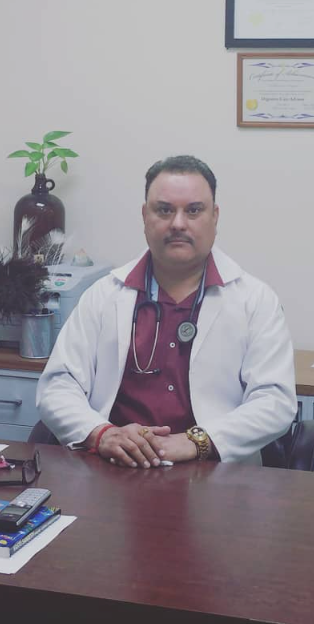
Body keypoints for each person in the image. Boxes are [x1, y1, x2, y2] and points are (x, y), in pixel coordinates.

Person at [36, 155, 296, 468]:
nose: (178, 224)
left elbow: (275, 401)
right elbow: (58, 386)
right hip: (115, 469)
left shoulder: (255, 300)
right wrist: (102, 433)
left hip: (216, 473)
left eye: (194, 210)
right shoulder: (103, 296)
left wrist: (196, 442)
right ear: (145, 216)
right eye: (164, 210)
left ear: (215, 217)